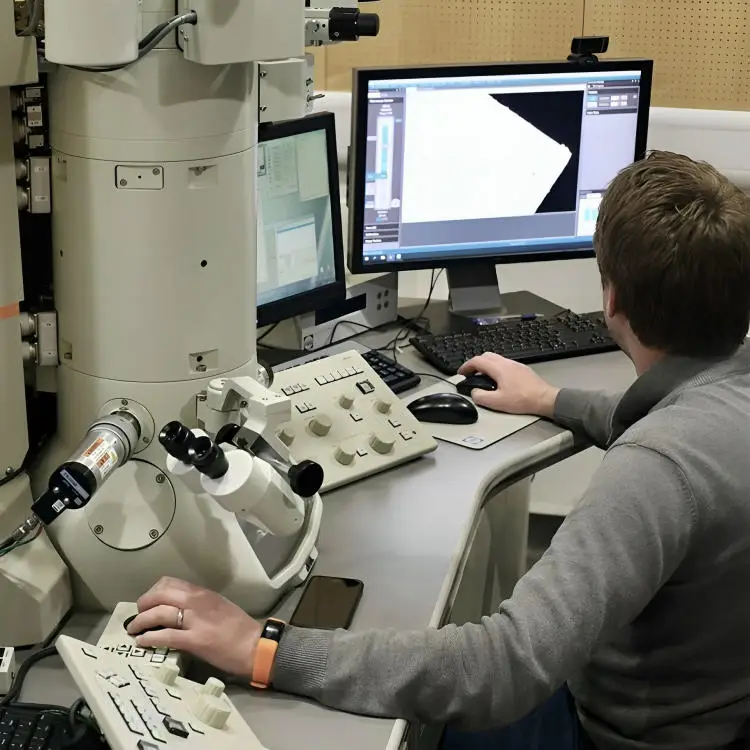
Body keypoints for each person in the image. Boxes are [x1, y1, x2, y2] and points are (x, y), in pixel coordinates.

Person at [128, 151, 750, 750]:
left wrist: (262, 646)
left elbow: (502, 668)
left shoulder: (654, 471)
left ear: (611, 300)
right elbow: (669, 418)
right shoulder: (719, 405)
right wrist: (550, 398)